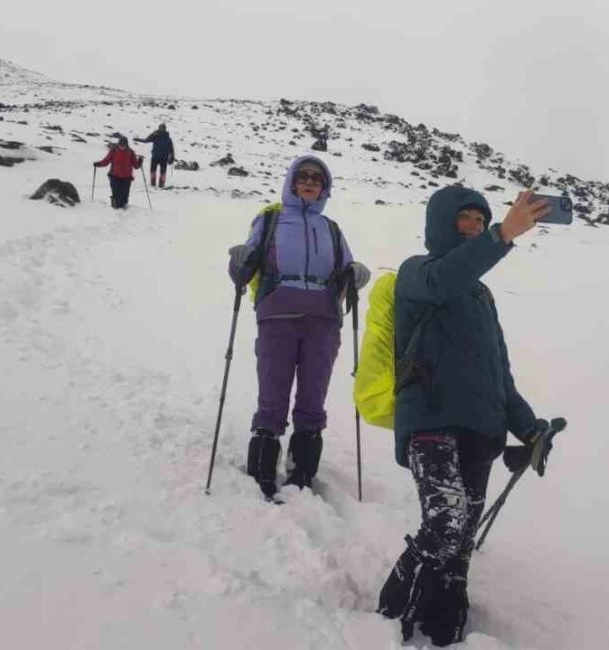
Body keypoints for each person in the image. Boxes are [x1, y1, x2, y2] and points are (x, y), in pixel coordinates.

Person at [376, 186, 553, 646]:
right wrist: (501, 237)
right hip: (430, 422)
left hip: (481, 429)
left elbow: (500, 374)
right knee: (446, 522)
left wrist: (530, 427)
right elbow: (444, 280)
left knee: (460, 547)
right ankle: (389, 610)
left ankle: (443, 625)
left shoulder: (482, 297)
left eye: (480, 220)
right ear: (440, 223)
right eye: (465, 219)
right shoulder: (417, 273)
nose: (474, 226)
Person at [227, 155, 371, 499]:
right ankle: (262, 467)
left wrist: (356, 273)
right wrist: (239, 261)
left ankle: (302, 471)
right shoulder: (271, 219)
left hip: (323, 318)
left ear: (325, 188)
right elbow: (245, 266)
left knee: (313, 394)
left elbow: (345, 267)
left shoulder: (332, 229)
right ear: (292, 182)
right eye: (303, 176)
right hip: (277, 312)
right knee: (273, 389)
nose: (309, 181)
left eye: (316, 178)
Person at [93, 136, 142, 209]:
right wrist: (99, 164)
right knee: (116, 194)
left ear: (126, 144)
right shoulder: (114, 151)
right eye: (121, 144)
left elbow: (135, 166)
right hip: (114, 176)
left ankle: (123, 209)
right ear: (119, 144)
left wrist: (140, 162)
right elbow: (106, 161)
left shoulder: (130, 152)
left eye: (124, 144)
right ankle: (114, 210)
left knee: (124, 195)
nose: (122, 146)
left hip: (126, 177)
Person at [137, 124, 175, 188]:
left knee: (161, 171)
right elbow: (147, 140)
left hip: (161, 157)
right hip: (157, 156)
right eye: (160, 128)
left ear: (165, 129)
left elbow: (171, 149)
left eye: (162, 128)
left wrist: (172, 156)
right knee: (154, 170)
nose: (161, 129)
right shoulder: (156, 136)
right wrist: (140, 139)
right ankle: (154, 183)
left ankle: (160, 183)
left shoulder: (167, 138)